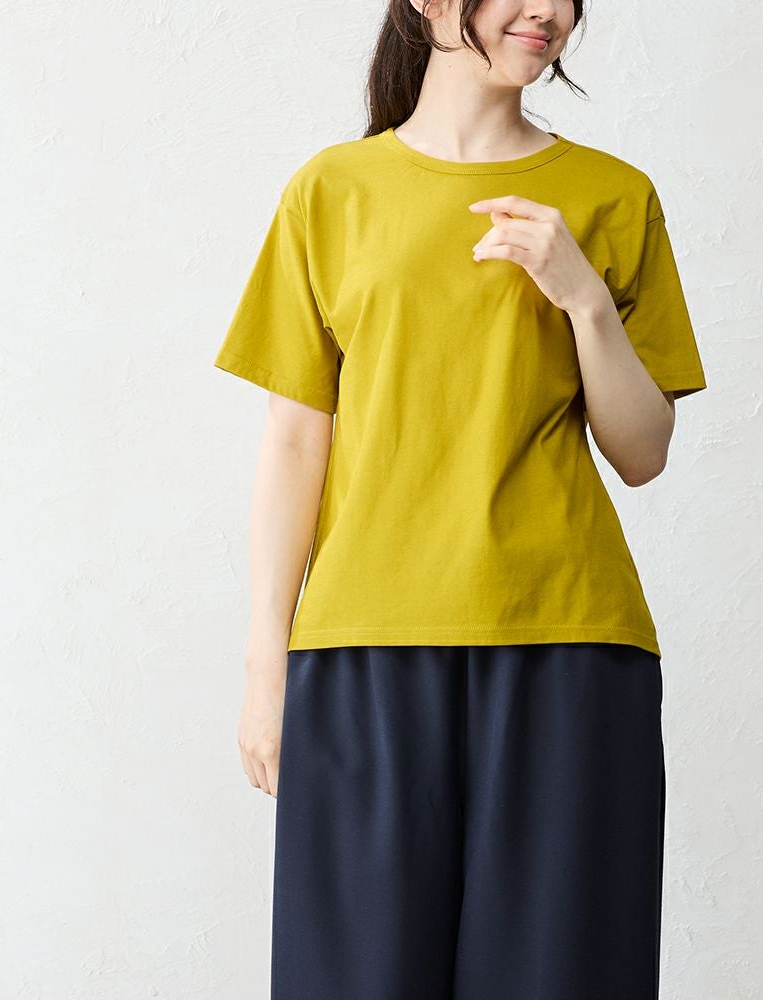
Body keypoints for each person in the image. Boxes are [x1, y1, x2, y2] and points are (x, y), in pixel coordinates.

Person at [213, 1, 707, 997]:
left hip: (569, 642)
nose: (551, 12)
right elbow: (296, 440)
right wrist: (267, 669)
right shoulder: (332, 191)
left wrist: (582, 297)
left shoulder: (613, 196)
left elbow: (643, 450)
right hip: (362, 645)